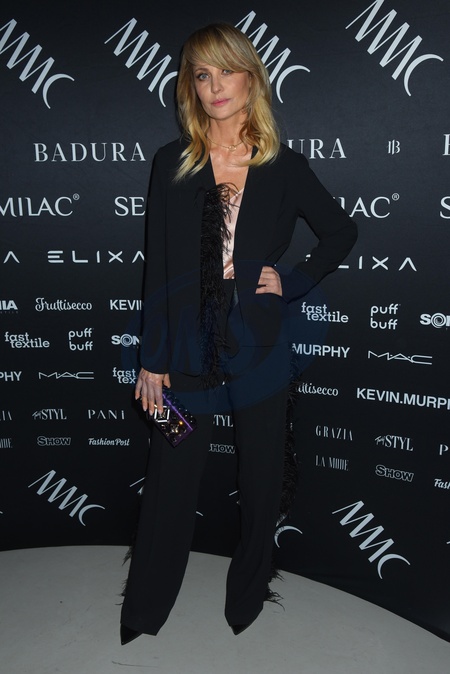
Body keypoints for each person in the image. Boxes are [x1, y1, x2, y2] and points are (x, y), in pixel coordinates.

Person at [120, 22, 357, 644]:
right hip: (185, 340)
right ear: (190, 88)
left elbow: (341, 232)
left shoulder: (285, 167)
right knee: (171, 474)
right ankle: (145, 609)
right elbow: (157, 269)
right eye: (202, 74)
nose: (215, 85)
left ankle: (246, 599)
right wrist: (151, 359)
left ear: (252, 79)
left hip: (260, 340)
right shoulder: (172, 163)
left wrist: (294, 279)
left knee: (260, 475)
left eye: (227, 70)